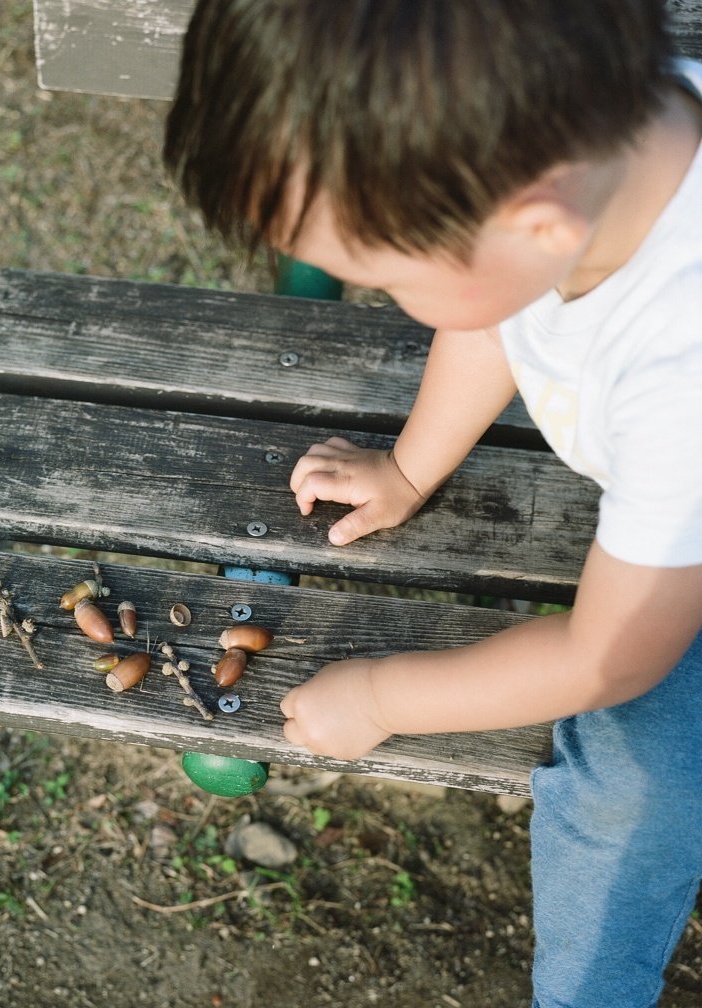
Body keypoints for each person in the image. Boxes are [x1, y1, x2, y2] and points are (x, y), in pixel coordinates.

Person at [163, 2, 702, 1006]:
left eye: (388, 277)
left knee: (643, 788)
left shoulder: (685, 366)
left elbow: (608, 656)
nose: (385, 296)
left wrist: (382, 698)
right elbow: (498, 304)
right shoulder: (581, 152)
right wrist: (410, 469)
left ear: (538, 222)